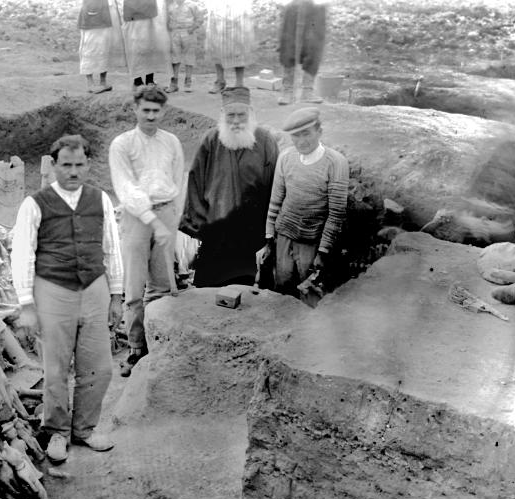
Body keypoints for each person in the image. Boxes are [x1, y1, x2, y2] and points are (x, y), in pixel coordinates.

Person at [11, 134, 123, 464]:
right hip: (53, 290)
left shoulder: (100, 200)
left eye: (79, 165)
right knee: (56, 368)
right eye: (66, 165)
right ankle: (58, 431)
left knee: (99, 367)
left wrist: (117, 295)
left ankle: (85, 429)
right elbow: (23, 254)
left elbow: (112, 248)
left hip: (94, 289)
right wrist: (26, 304)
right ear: (54, 165)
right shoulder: (35, 204)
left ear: (88, 165)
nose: (73, 172)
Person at [109, 86, 185, 377]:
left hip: (165, 213)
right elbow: (126, 188)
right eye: (146, 110)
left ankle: (158, 345)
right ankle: (136, 349)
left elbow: (177, 180)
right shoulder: (122, 144)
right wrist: (153, 222)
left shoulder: (171, 142)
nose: (151, 116)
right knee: (134, 289)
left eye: (156, 111)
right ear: (135, 109)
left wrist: (171, 218)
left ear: (163, 111)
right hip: (136, 218)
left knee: (162, 287)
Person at [180, 86, 279, 287]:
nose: (236, 121)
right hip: (217, 233)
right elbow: (195, 184)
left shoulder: (265, 141)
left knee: (250, 293)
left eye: (241, 115)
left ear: (251, 113)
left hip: (253, 234)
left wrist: (270, 235)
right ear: (222, 114)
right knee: (209, 292)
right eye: (230, 115)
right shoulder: (210, 140)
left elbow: (275, 188)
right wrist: (200, 228)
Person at [260, 107, 349, 297]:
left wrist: (323, 252)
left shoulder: (336, 163)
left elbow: (336, 215)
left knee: (309, 292)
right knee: (282, 286)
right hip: (284, 236)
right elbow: (275, 200)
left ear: (319, 132)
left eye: (306, 133)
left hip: (312, 242)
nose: (301, 141)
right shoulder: (286, 157)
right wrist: (269, 238)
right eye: (295, 135)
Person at [277, 0, 327, 105]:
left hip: (316, 5)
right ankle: (287, 90)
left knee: (314, 44)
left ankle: (307, 91)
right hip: (294, 5)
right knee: (289, 43)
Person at [204, 0, 255, 94]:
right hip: (218, 13)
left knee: (238, 50)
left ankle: (239, 84)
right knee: (217, 48)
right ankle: (220, 81)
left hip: (238, 16)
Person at [122, 0, 172, 90]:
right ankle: (138, 81)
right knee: (136, 48)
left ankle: (149, 80)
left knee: (149, 46)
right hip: (133, 15)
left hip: (148, 13)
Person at [78, 0, 126, 93]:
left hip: (108, 11)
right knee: (90, 47)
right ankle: (90, 83)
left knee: (105, 46)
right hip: (92, 11)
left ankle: (103, 81)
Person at [165, 0, 202, 93]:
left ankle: (188, 83)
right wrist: (169, 29)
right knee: (174, 57)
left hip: (188, 32)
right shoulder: (171, 5)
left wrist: (193, 28)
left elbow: (199, 18)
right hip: (175, 32)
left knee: (189, 56)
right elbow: (167, 20)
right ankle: (174, 83)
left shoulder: (191, 5)